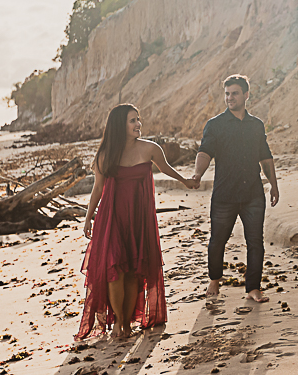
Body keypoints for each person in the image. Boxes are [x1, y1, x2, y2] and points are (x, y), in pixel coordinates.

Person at [76, 103, 194, 340]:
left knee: (132, 271)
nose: (138, 124)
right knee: (114, 269)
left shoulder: (150, 148)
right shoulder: (105, 154)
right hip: (112, 218)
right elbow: (97, 188)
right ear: (120, 125)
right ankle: (119, 321)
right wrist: (89, 218)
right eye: (132, 120)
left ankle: (127, 322)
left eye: (138, 120)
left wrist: (186, 181)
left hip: (139, 217)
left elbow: (166, 169)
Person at [190, 75, 279, 303]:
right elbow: (204, 152)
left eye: (235, 93)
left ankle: (253, 288)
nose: (230, 98)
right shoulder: (215, 125)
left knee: (255, 242)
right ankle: (214, 280)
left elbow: (265, 156)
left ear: (246, 95)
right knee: (218, 240)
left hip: (253, 195)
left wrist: (275, 185)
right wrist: (197, 173)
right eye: (227, 93)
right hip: (224, 195)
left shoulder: (256, 125)